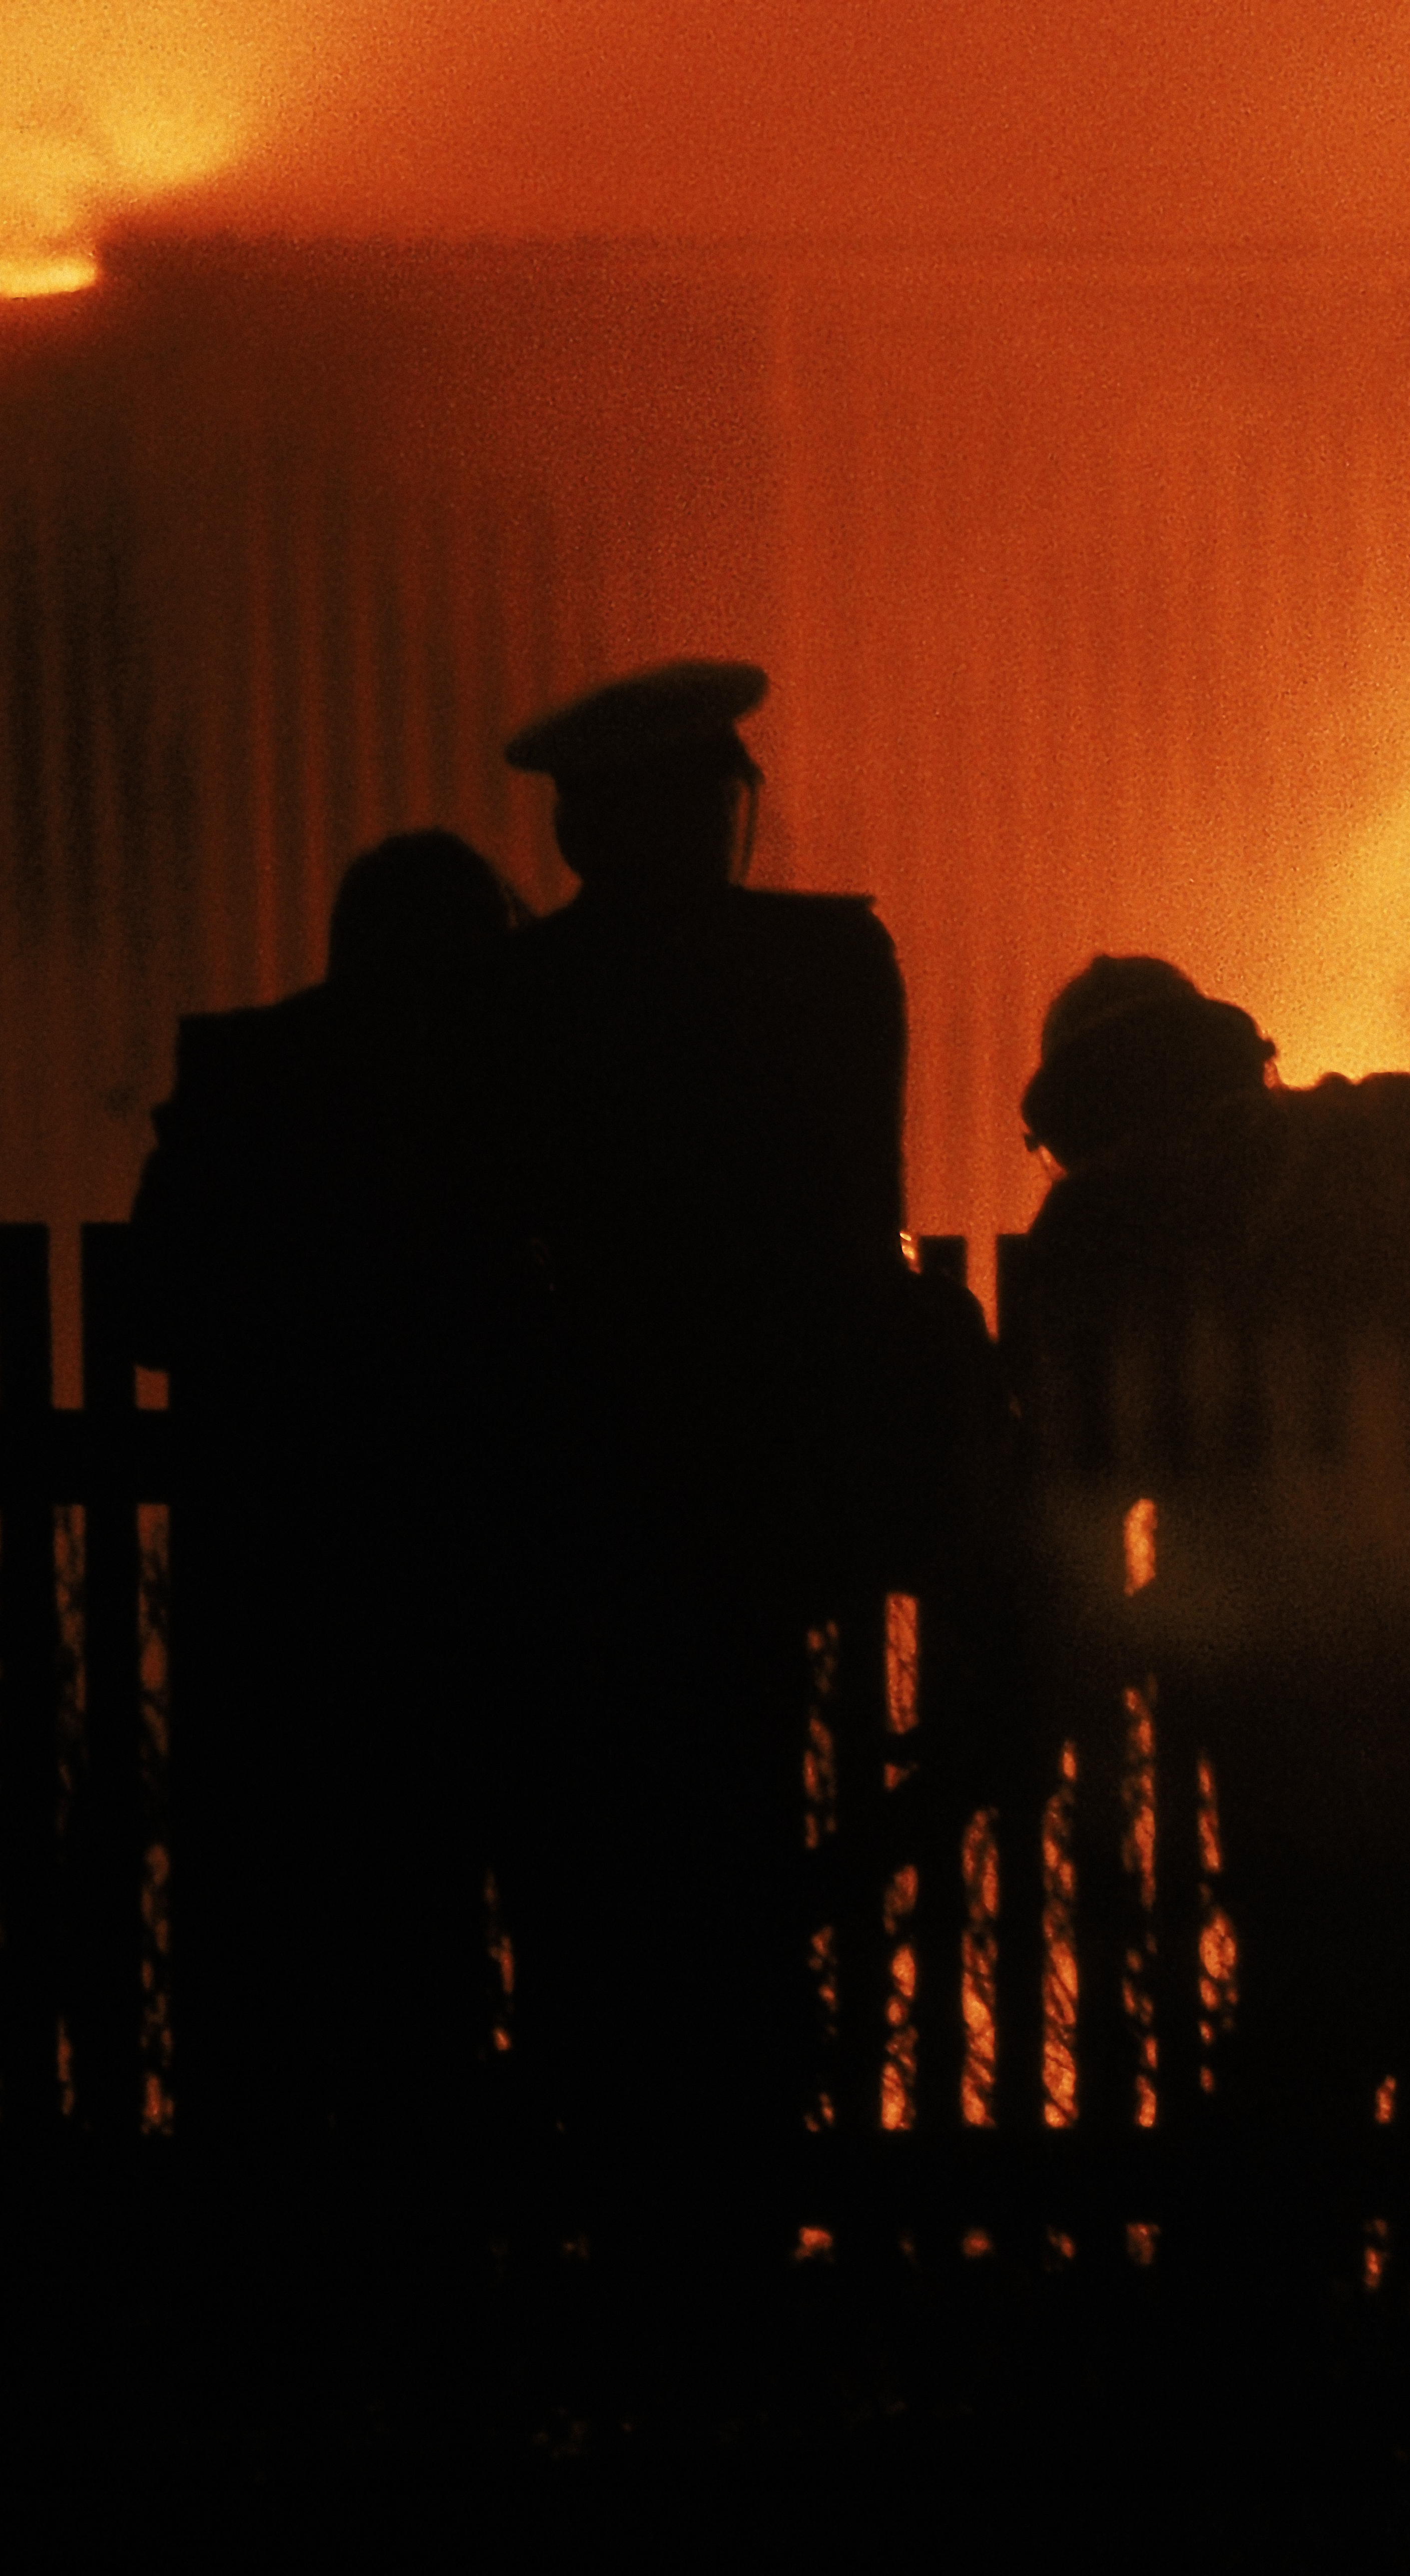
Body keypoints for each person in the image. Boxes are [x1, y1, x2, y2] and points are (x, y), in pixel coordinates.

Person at [484, 659, 914, 2239]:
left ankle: (615, 2197)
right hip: (750, 1502)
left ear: (590, 828)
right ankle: (731, 2199)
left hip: (576, 1503)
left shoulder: (528, 998)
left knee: (587, 1880)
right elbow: (856, 1228)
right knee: (736, 1858)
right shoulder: (824, 969)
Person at [1005, 957, 1410, 2161]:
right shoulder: (1369, 1139)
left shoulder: (1099, 1225)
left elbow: (1077, 1482)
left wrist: (1064, 1671)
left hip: (1279, 1679)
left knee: (1314, 1996)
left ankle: (1252, 2312)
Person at [134, 829, 533, 2201]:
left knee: (269, 1939)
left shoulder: (252, 1080)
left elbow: (155, 1309)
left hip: (278, 1598)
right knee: (429, 1937)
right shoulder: (518, 1095)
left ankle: (281, 2268)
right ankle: (418, 2245)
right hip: (465, 1595)